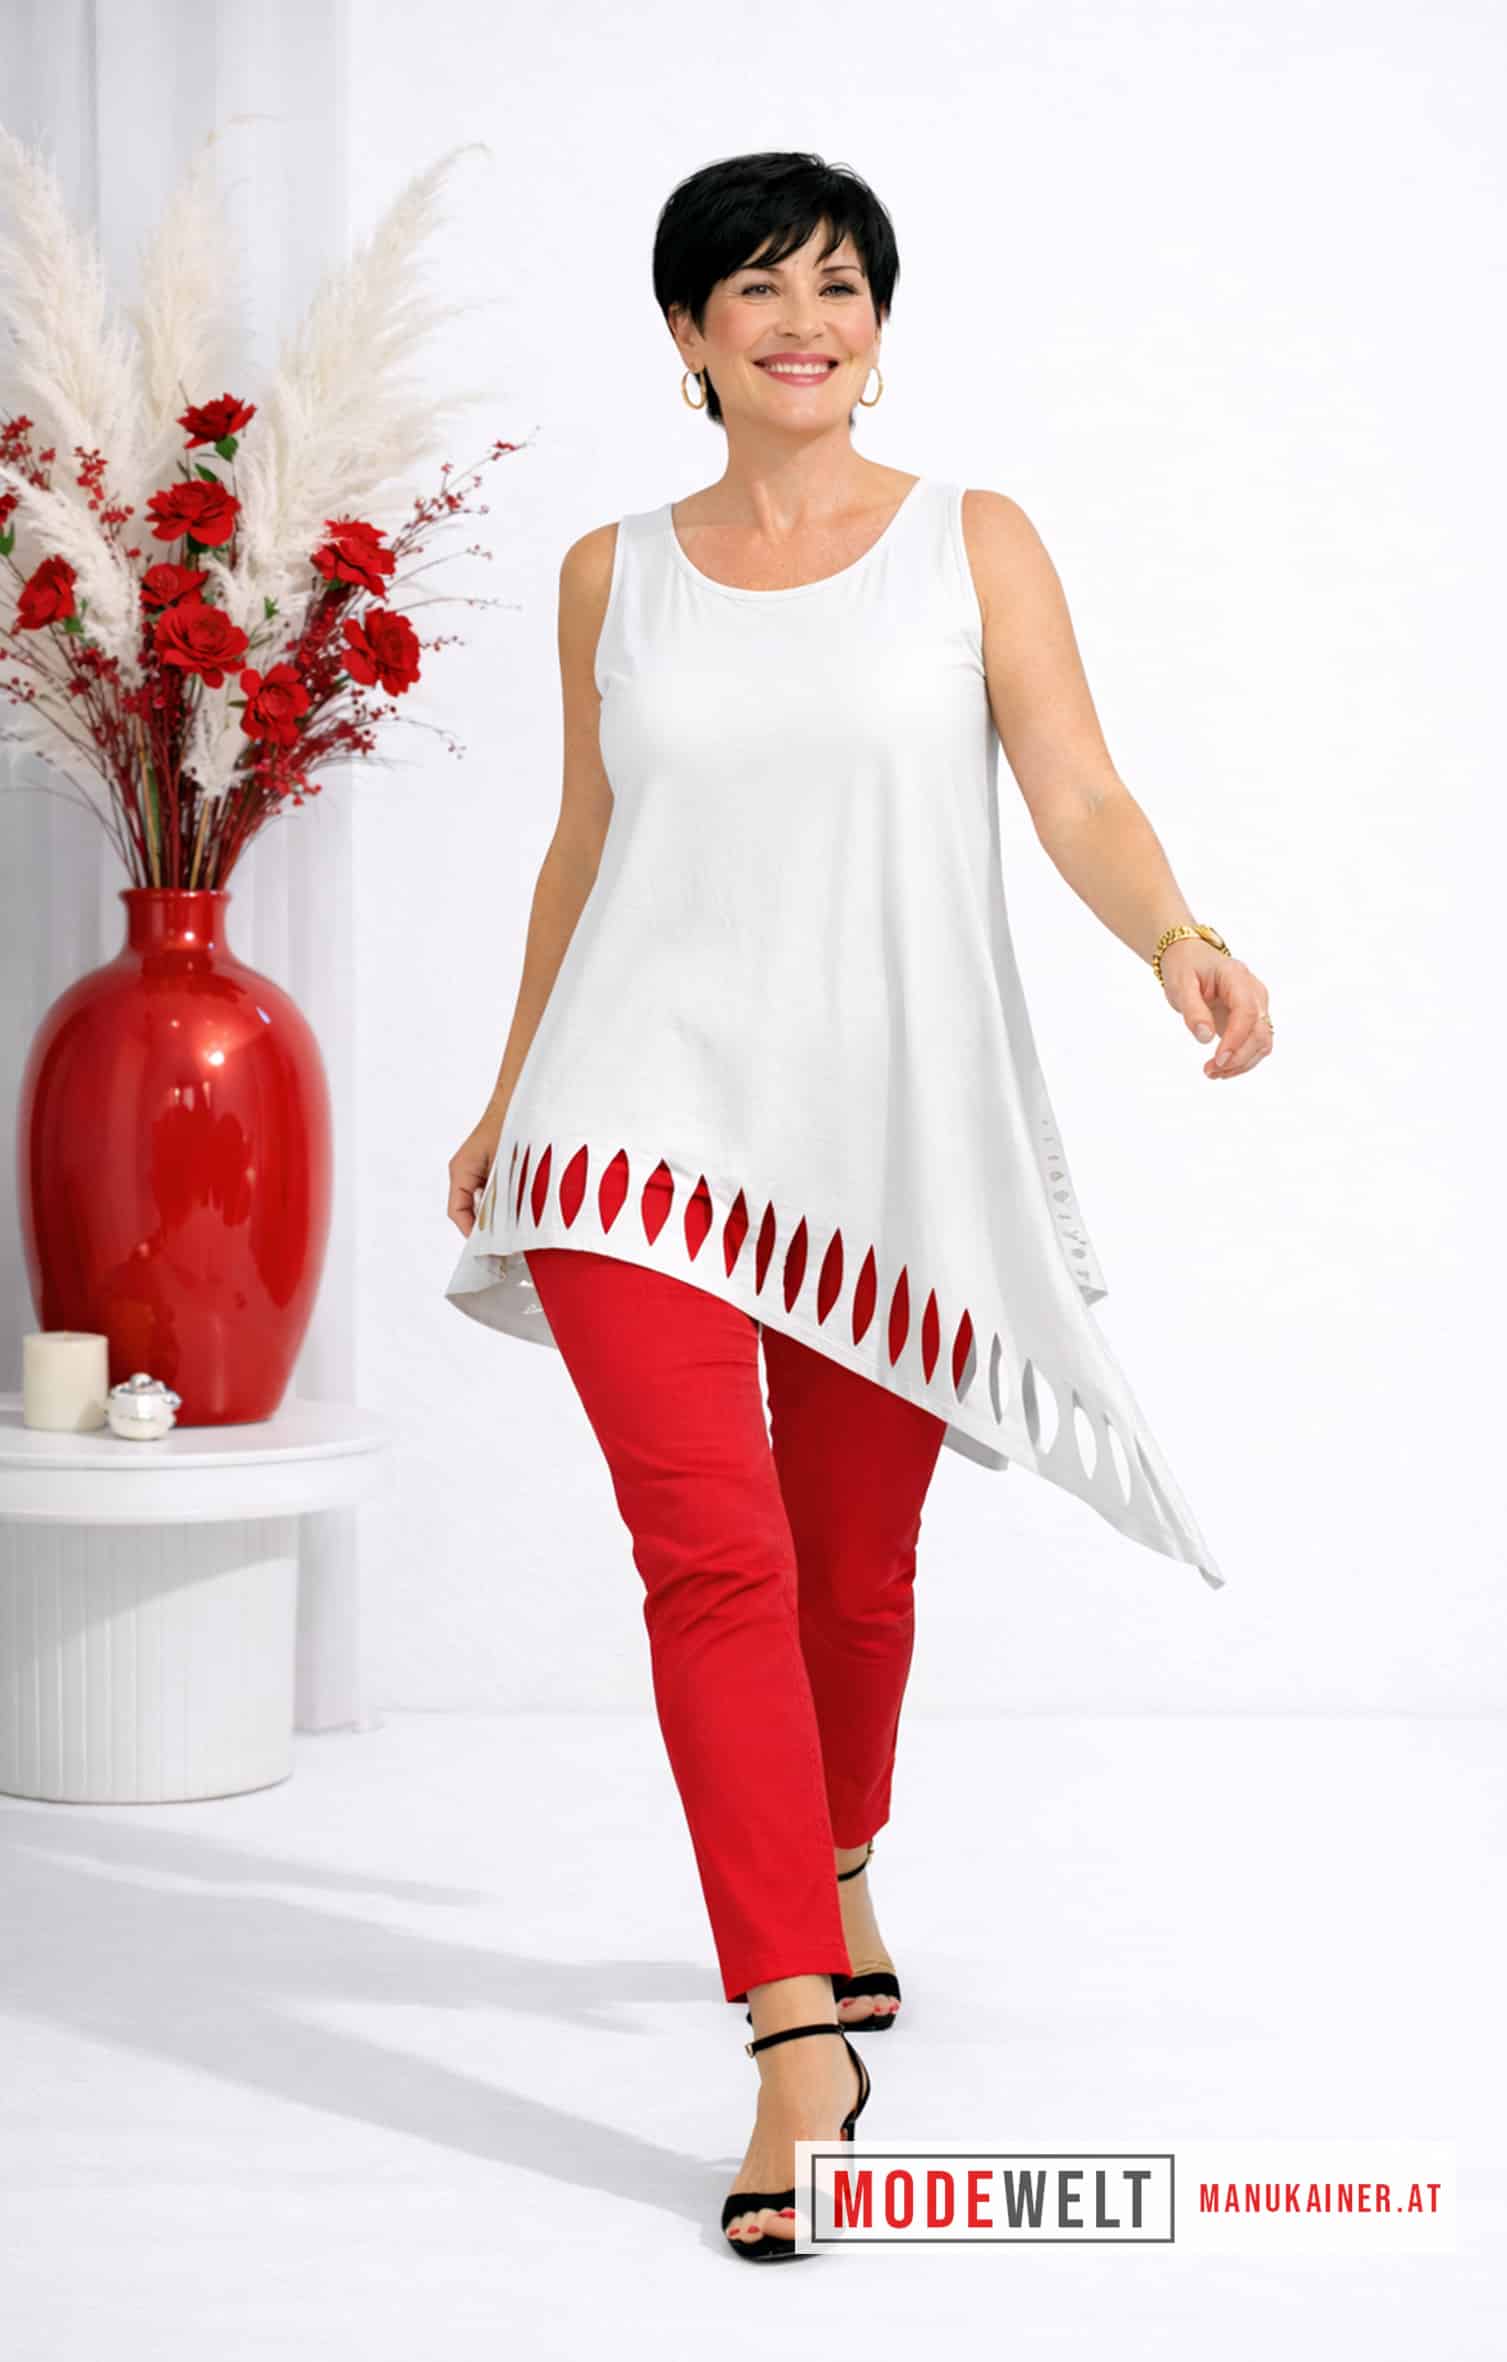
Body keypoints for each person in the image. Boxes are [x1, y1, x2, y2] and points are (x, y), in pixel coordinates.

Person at [443, 150, 1273, 2262]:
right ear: (688, 334)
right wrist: (511, 1088)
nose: (803, 321)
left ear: (878, 327)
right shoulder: (612, 573)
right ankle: (791, 2032)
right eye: (757, 288)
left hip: (882, 1139)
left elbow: (1075, 785)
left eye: (839, 286)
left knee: (852, 1570)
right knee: (709, 1556)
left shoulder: (971, 543)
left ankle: (835, 1855)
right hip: (629, 1124)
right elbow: (583, 847)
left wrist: (1172, 931)